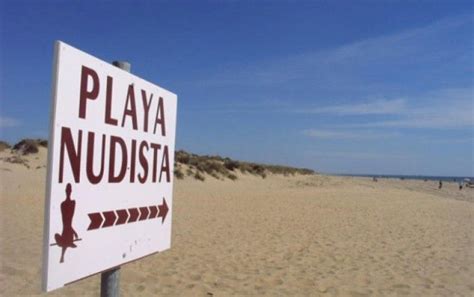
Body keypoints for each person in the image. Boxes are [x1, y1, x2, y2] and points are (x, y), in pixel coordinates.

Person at [54, 183, 79, 263]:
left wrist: (74, 232)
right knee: (60, 235)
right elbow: (67, 221)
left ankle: (63, 254)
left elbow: (67, 222)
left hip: (67, 232)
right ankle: (65, 250)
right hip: (68, 232)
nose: (68, 192)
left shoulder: (69, 204)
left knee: (61, 235)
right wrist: (74, 232)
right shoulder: (68, 204)